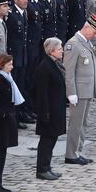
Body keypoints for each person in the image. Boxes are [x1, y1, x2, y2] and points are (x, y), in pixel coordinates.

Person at [62, 14, 96, 165]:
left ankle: (77, 151)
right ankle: (71, 154)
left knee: (83, 123)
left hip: (88, 90)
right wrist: (71, 92)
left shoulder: (87, 42)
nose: (95, 35)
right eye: (94, 32)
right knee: (76, 124)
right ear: (87, 27)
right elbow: (69, 71)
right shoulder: (73, 44)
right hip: (79, 92)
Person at [0, 54, 22, 192]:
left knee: (2, 154)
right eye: (9, 65)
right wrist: (2, 113)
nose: (12, 67)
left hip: (6, 121)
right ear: (1, 65)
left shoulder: (7, 79)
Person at [34, 38, 67, 179]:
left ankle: (47, 166)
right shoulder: (45, 67)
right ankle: (42, 169)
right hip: (48, 110)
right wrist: (44, 112)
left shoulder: (55, 64)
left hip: (56, 108)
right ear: (51, 51)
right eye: (59, 49)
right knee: (46, 140)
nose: (62, 51)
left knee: (52, 138)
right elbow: (41, 92)